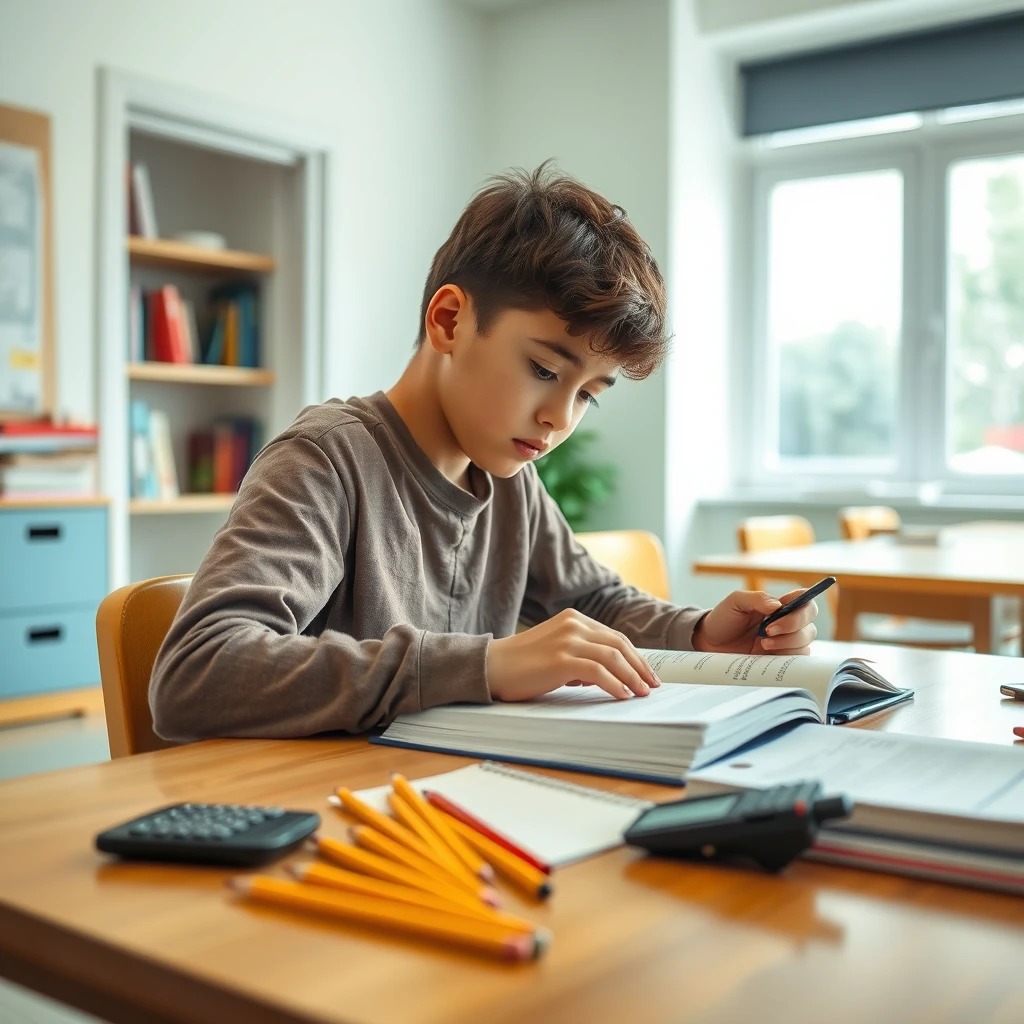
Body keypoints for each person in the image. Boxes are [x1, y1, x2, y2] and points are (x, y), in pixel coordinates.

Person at [150, 163, 818, 742]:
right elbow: (198, 671)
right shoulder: (329, 460)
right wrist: (486, 665)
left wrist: (701, 632)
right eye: (545, 371)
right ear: (449, 321)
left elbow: (597, 602)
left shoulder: (509, 479)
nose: (560, 419)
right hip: (324, 820)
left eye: (590, 394)